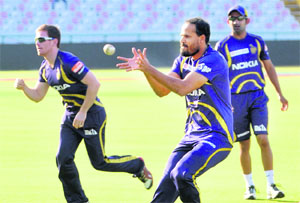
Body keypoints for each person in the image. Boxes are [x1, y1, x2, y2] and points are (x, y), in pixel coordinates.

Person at [14, 24, 153, 203]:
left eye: (41, 39)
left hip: (92, 114)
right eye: (35, 40)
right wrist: (25, 88)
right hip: (71, 117)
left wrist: (83, 112)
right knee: (63, 159)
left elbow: (94, 84)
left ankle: (137, 165)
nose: (37, 43)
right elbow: (38, 96)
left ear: (54, 41)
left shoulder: (69, 61)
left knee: (99, 163)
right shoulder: (44, 68)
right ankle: (77, 200)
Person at [117, 17, 235, 203]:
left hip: (216, 135)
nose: (182, 40)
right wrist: (145, 71)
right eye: (181, 36)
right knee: (164, 189)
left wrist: (150, 68)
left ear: (202, 39)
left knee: (182, 174)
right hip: (191, 136)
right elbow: (162, 91)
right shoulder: (182, 61)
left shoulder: (213, 60)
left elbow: (182, 88)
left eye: (187, 36)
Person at [215, 5, 288, 200]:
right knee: (244, 145)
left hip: (257, 96)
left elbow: (269, 67)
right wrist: (222, 102)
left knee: (263, 139)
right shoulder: (222, 46)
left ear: (247, 20)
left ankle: (271, 185)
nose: (236, 22)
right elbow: (218, 76)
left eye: (239, 18)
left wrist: (280, 93)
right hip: (235, 100)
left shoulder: (257, 41)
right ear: (227, 22)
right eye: (232, 19)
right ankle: (250, 187)